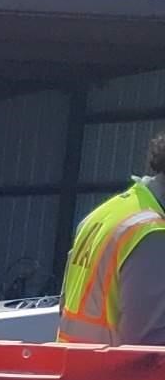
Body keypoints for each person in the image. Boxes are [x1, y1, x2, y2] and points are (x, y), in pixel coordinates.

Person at [60, 132, 165, 343]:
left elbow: (64, 304)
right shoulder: (153, 233)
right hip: (114, 374)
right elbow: (149, 345)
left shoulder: (107, 213)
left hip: (76, 368)